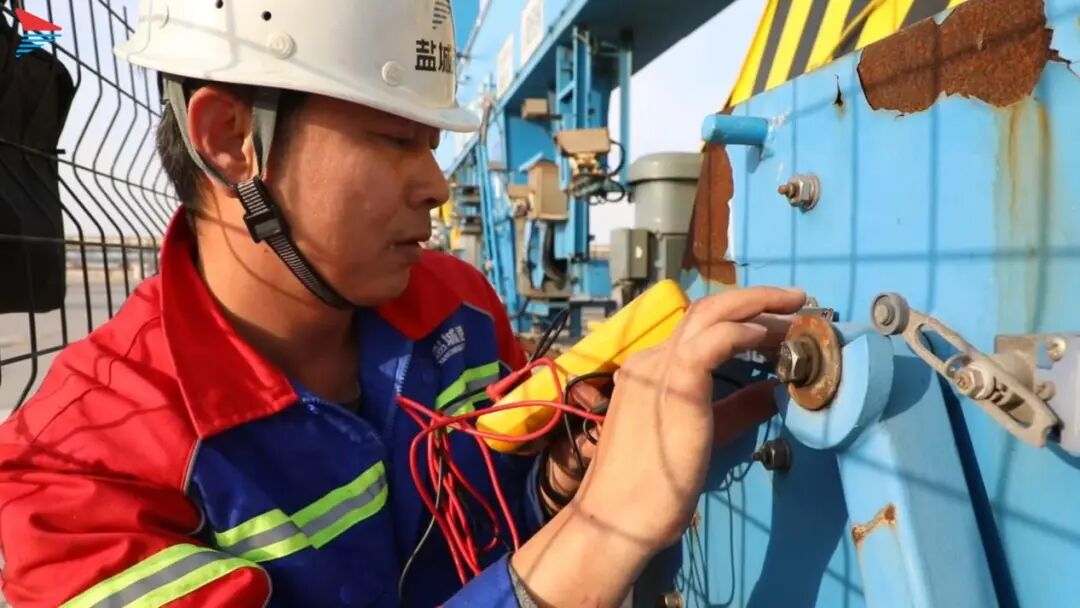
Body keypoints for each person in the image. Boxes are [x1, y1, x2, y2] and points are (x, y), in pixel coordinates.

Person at [0, 1, 806, 606]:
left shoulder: (458, 307)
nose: (434, 185)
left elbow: (487, 517)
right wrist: (599, 537)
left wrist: (557, 484)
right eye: (393, 140)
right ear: (230, 137)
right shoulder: (74, 480)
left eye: (431, 144)